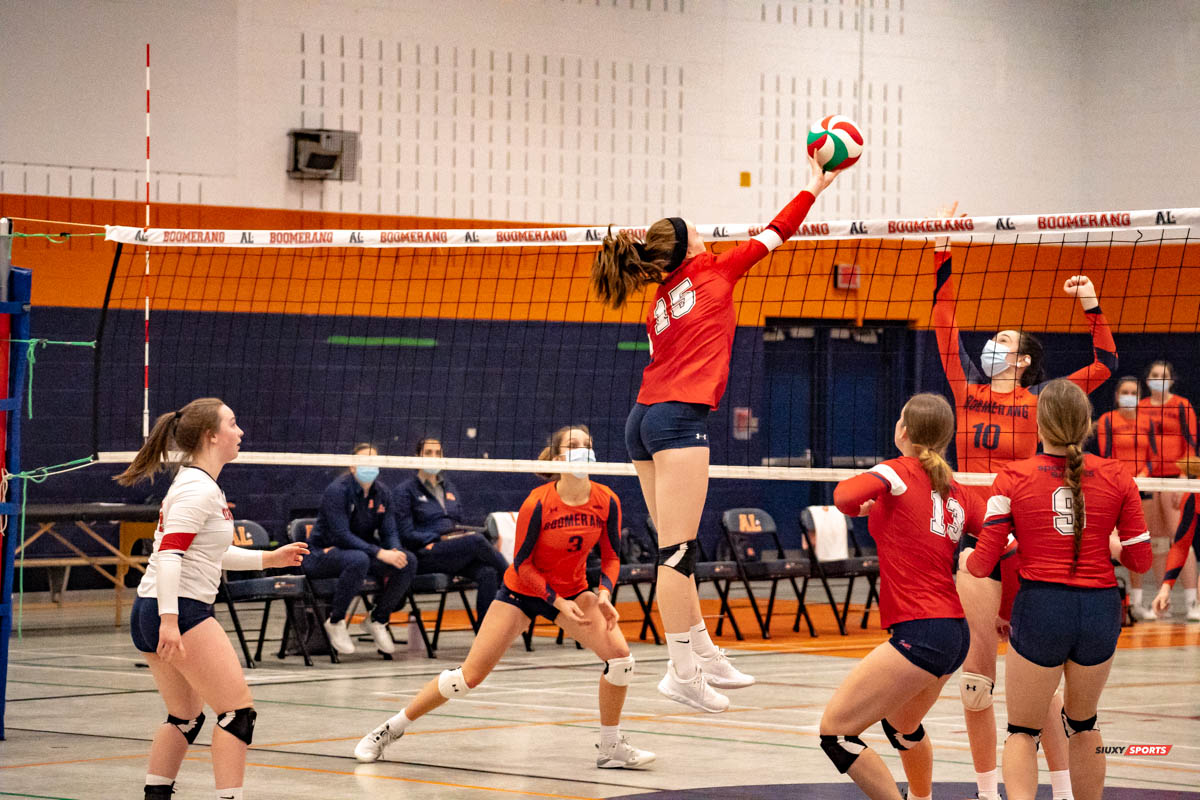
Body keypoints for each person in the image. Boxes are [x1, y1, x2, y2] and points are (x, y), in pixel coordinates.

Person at [591, 152, 839, 711]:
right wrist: (815, 184)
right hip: (677, 419)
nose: (706, 234)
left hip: (643, 418)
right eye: (697, 231)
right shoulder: (715, 270)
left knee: (675, 548)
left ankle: (703, 651)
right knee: (676, 554)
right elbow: (779, 230)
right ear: (688, 247)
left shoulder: (659, 302)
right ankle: (680, 671)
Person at [931, 207, 1117, 800]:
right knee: (977, 682)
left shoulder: (1043, 402)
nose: (991, 345)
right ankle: (990, 789)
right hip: (976, 543)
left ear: (1025, 360)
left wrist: (1091, 305)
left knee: (1042, 689)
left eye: (1004, 342)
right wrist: (942, 252)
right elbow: (943, 326)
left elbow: (1108, 365)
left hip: (1027, 544)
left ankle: (1063, 788)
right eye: (993, 340)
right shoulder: (966, 389)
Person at [354, 426, 655, 769]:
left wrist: (603, 593)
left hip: (573, 591)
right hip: (522, 592)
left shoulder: (607, 500)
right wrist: (555, 601)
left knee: (621, 660)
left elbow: (613, 557)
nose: (583, 451)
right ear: (558, 458)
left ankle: (611, 747)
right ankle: (389, 730)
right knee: (466, 679)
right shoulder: (539, 502)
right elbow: (523, 565)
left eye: (588, 445)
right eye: (574, 446)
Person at [965, 379, 1151, 800]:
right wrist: (1107, 543)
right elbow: (1141, 562)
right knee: (1084, 723)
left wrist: (968, 556)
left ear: (1038, 423)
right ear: (1087, 424)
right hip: (1101, 610)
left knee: (1022, 731)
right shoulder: (1119, 476)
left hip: (1042, 609)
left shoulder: (1013, 477)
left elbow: (981, 564)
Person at [117, 398, 308, 800]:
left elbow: (206, 553)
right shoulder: (197, 489)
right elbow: (169, 555)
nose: (240, 432)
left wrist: (269, 558)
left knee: (186, 717)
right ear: (211, 436)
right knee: (237, 714)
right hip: (178, 609)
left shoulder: (202, 484)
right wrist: (170, 621)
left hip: (155, 607)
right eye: (233, 424)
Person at [821, 393, 981, 800]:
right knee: (902, 725)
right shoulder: (958, 492)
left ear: (903, 431)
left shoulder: (895, 472)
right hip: (954, 633)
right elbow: (1009, 543)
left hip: (921, 630)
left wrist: (865, 506)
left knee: (836, 733)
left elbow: (841, 497)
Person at [302, 443, 417, 655]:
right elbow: (341, 535)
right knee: (359, 560)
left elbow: (389, 530)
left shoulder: (382, 493)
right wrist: (380, 553)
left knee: (406, 560)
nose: (370, 467)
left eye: (374, 462)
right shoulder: (337, 491)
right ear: (353, 467)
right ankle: (336, 621)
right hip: (323, 554)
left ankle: (378, 618)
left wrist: (394, 550)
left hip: (360, 553)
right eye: (365, 462)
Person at [395, 436, 510, 621]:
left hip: (453, 552)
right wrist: (437, 538)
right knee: (476, 541)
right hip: (425, 554)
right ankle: (515, 580)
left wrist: (458, 536)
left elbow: (457, 524)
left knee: (487, 572)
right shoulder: (405, 491)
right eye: (428, 453)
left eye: (438, 453)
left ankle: (485, 635)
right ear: (417, 457)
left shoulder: (450, 488)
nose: (434, 457)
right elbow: (406, 535)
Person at [1139, 360, 1200, 620]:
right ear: (1147, 379)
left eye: (1163, 376)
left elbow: (1192, 443)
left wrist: (1185, 478)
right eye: (1154, 375)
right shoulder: (1140, 408)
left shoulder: (1181, 405)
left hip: (1177, 478)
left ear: (1172, 380)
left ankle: (1192, 602)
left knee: (1180, 539)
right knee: (1157, 541)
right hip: (1149, 481)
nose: (1158, 379)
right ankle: (1164, 603)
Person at [1095, 377, 1156, 620]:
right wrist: (1124, 479)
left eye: (1134, 392)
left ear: (1140, 397)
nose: (1129, 396)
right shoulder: (1107, 420)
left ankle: (1138, 603)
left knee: (1137, 543)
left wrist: (1141, 476)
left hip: (1143, 486)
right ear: (1117, 396)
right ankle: (1108, 598)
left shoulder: (1148, 422)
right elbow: (1106, 453)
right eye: (1125, 392)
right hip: (1114, 486)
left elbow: (1152, 457)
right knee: (1108, 543)